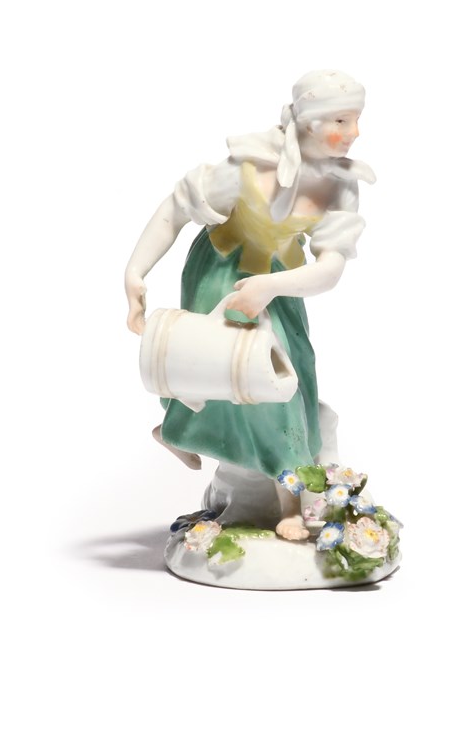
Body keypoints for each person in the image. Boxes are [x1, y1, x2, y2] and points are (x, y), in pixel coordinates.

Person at [124, 70, 375, 540]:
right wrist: (135, 271)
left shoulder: (341, 184)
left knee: (288, 383)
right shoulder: (250, 165)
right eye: (342, 120)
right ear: (308, 120)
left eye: (357, 119)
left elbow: (330, 269)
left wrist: (269, 288)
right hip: (220, 274)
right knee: (217, 366)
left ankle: (276, 488)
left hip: (280, 283)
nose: (355, 132)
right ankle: (269, 492)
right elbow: (174, 210)